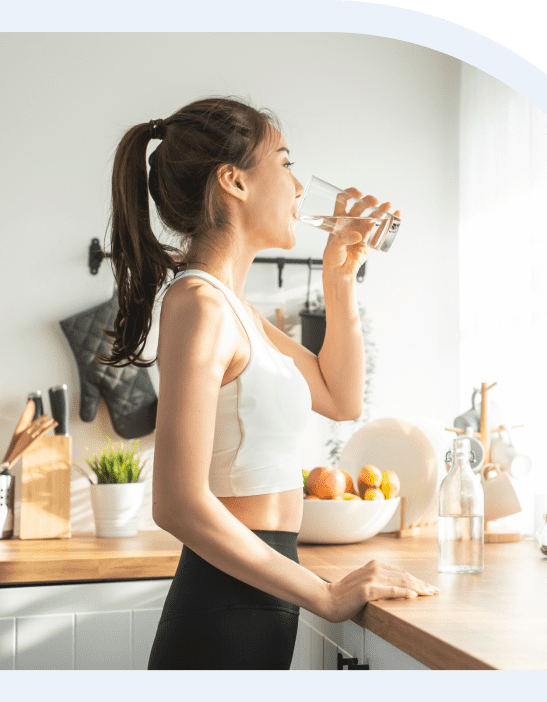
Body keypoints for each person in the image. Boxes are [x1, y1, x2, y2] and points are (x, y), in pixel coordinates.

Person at [99, 96, 438, 670]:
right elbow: (177, 504)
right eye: (284, 162)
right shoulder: (199, 303)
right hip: (222, 608)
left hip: (259, 596)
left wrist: (340, 277)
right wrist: (325, 594)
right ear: (233, 180)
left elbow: (340, 398)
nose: (301, 187)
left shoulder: (238, 311)